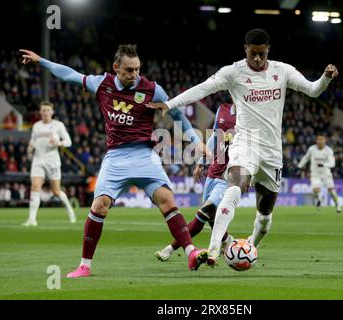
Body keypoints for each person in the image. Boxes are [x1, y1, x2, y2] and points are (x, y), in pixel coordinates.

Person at [148, 28, 338, 265]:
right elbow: (202, 88)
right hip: (245, 142)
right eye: (253, 54)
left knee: (265, 214)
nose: (257, 59)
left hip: (272, 152)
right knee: (235, 185)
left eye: (261, 54)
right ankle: (215, 248)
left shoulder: (283, 71)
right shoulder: (233, 72)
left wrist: (326, 78)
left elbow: (312, 90)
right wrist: (169, 103)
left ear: (268, 50)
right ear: (245, 49)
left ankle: (250, 248)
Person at [20, 44, 210, 278]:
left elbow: (177, 115)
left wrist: (196, 141)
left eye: (137, 69)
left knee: (167, 200)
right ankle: (84, 266)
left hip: (144, 155)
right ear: (116, 67)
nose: (135, 75)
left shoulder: (152, 90)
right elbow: (70, 74)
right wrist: (42, 61)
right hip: (116, 157)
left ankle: (191, 253)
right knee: (99, 205)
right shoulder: (102, 83)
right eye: (129, 70)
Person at [155, 103, 236, 261]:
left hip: (227, 177)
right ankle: (228, 241)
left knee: (203, 214)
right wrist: (202, 161)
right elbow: (214, 136)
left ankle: (169, 249)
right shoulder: (223, 109)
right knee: (212, 218)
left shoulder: (251, 116)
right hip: (212, 173)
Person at [22, 101, 77, 226]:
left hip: (52, 161)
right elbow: (33, 141)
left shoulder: (58, 125)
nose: (46, 112)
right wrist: (30, 148)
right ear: (40, 112)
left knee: (56, 191)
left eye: (48, 110)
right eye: (43, 110)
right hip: (38, 160)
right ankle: (32, 219)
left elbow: (68, 141)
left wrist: (59, 143)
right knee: (35, 187)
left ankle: (70, 210)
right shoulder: (36, 126)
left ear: (52, 112)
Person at [297, 133, 342, 213]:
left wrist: (323, 164)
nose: (320, 141)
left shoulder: (328, 150)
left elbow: (332, 163)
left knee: (331, 190)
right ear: (316, 140)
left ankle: (338, 205)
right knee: (316, 190)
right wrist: (299, 166)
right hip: (315, 174)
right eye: (318, 139)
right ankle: (319, 199)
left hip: (326, 173)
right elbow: (306, 157)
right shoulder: (312, 149)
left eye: (322, 139)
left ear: (325, 140)